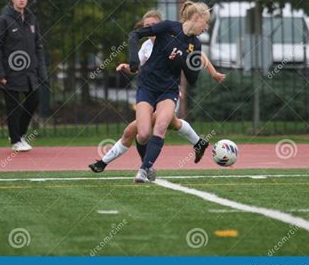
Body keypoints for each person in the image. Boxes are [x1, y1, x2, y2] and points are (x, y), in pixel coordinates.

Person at [89, 10, 225, 173]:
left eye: (153, 25)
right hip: (149, 90)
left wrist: (213, 73)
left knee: (136, 130)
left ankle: (120, 165)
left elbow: (200, 56)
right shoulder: (146, 46)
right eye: (147, 26)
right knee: (170, 124)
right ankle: (198, 144)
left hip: (168, 93)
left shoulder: (176, 38)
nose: (151, 28)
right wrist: (128, 67)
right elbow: (138, 67)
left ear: (160, 26)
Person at [128, 1, 211, 183]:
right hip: (147, 86)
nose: (207, 27)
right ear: (196, 18)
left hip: (169, 90)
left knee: (161, 126)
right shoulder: (167, 27)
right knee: (142, 134)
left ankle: (143, 170)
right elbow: (134, 35)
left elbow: (193, 79)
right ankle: (147, 163)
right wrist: (133, 60)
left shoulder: (195, 45)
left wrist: (182, 60)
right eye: (206, 23)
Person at [0, 0, 47, 152]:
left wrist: (41, 72)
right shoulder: (3, 20)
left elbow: (38, 47)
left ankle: (19, 134)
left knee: (34, 99)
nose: (22, 0)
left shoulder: (31, 20)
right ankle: (16, 140)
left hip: (29, 72)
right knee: (13, 107)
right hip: (9, 72)